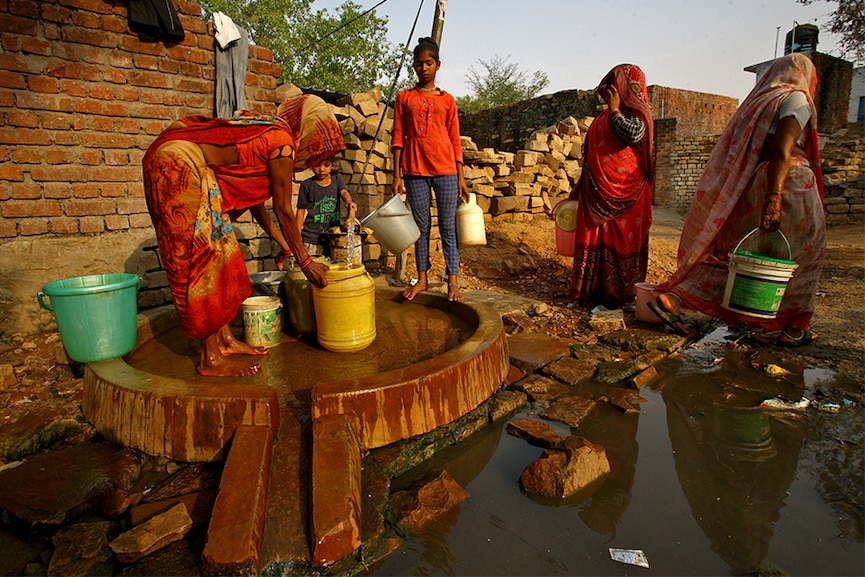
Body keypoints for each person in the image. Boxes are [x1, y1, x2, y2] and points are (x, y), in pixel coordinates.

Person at [143, 94, 345, 377]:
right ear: (309, 131)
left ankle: (224, 341)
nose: (318, 156)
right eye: (319, 147)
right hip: (177, 166)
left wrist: (285, 246)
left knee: (223, 250)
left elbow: (259, 209)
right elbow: (284, 210)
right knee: (203, 258)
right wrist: (306, 262)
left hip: (180, 162)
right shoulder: (283, 145)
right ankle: (209, 358)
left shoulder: (269, 132)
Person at [651, 53, 824, 347]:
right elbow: (783, 149)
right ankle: (793, 328)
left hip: (754, 183)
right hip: (789, 184)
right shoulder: (796, 99)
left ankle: (676, 297)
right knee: (803, 257)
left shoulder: (759, 102)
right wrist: (775, 198)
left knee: (739, 256)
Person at [567, 64, 655, 308]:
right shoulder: (601, 118)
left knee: (620, 242)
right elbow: (591, 156)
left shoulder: (641, 114)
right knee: (594, 240)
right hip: (596, 192)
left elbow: (633, 136)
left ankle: (620, 294)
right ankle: (590, 291)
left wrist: (616, 110)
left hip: (628, 194)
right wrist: (578, 187)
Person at [391, 37, 470, 302]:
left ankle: (453, 282)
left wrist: (461, 177)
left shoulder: (448, 100)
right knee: (420, 227)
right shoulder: (404, 98)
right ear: (414, 67)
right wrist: (396, 175)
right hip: (415, 172)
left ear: (438, 65)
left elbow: (455, 139)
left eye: (429, 63)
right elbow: (398, 137)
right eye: (419, 64)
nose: (424, 68)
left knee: (448, 227)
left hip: (446, 171)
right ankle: (422, 278)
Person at [296, 159, 357, 257]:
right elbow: (301, 211)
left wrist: (349, 201)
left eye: (326, 165)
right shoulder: (307, 185)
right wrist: (297, 236)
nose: (321, 169)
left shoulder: (337, 180)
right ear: (311, 165)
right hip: (311, 238)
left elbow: (344, 192)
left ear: (332, 165)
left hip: (333, 237)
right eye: (317, 165)